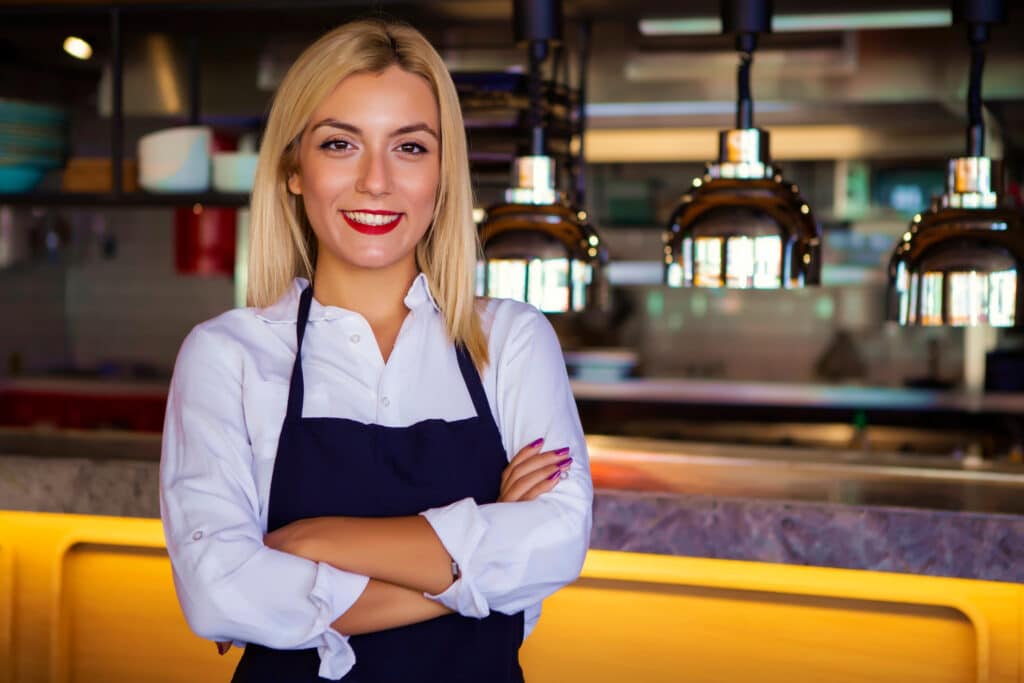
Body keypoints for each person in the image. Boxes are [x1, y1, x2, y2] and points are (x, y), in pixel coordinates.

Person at [159, 18, 593, 683]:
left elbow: (557, 544)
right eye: (340, 143)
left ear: (443, 173)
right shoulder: (226, 356)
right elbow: (220, 592)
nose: (376, 181)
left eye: (410, 148)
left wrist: (310, 542)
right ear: (294, 170)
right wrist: (482, 563)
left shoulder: (510, 339)